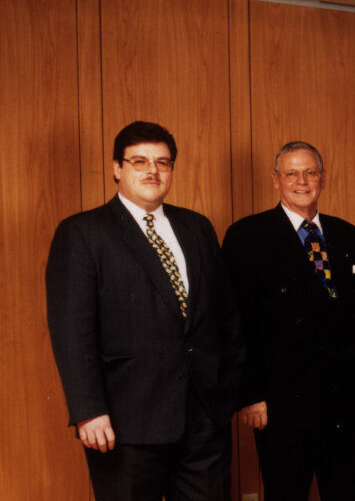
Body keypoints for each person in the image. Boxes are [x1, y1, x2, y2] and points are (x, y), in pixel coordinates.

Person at [45, 120, 244, 500]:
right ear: (117, 168)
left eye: (163, 162)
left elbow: (225, 315)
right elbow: (72, 331)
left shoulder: (197, 228)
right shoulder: (83, 233)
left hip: (204, 420)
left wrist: (226, 389)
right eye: (139, 161)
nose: (152, 171)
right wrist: (88, 409)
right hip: (124, 423)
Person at [221, 141, 355, 500]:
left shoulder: (348, 235)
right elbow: (233, 324)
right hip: (283, 407)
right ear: (275, 180)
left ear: (323, 178)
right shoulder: (247, 236)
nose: (302, 181)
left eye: (310, 172)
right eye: (291, 173)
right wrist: (250, 395)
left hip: (351, 406)